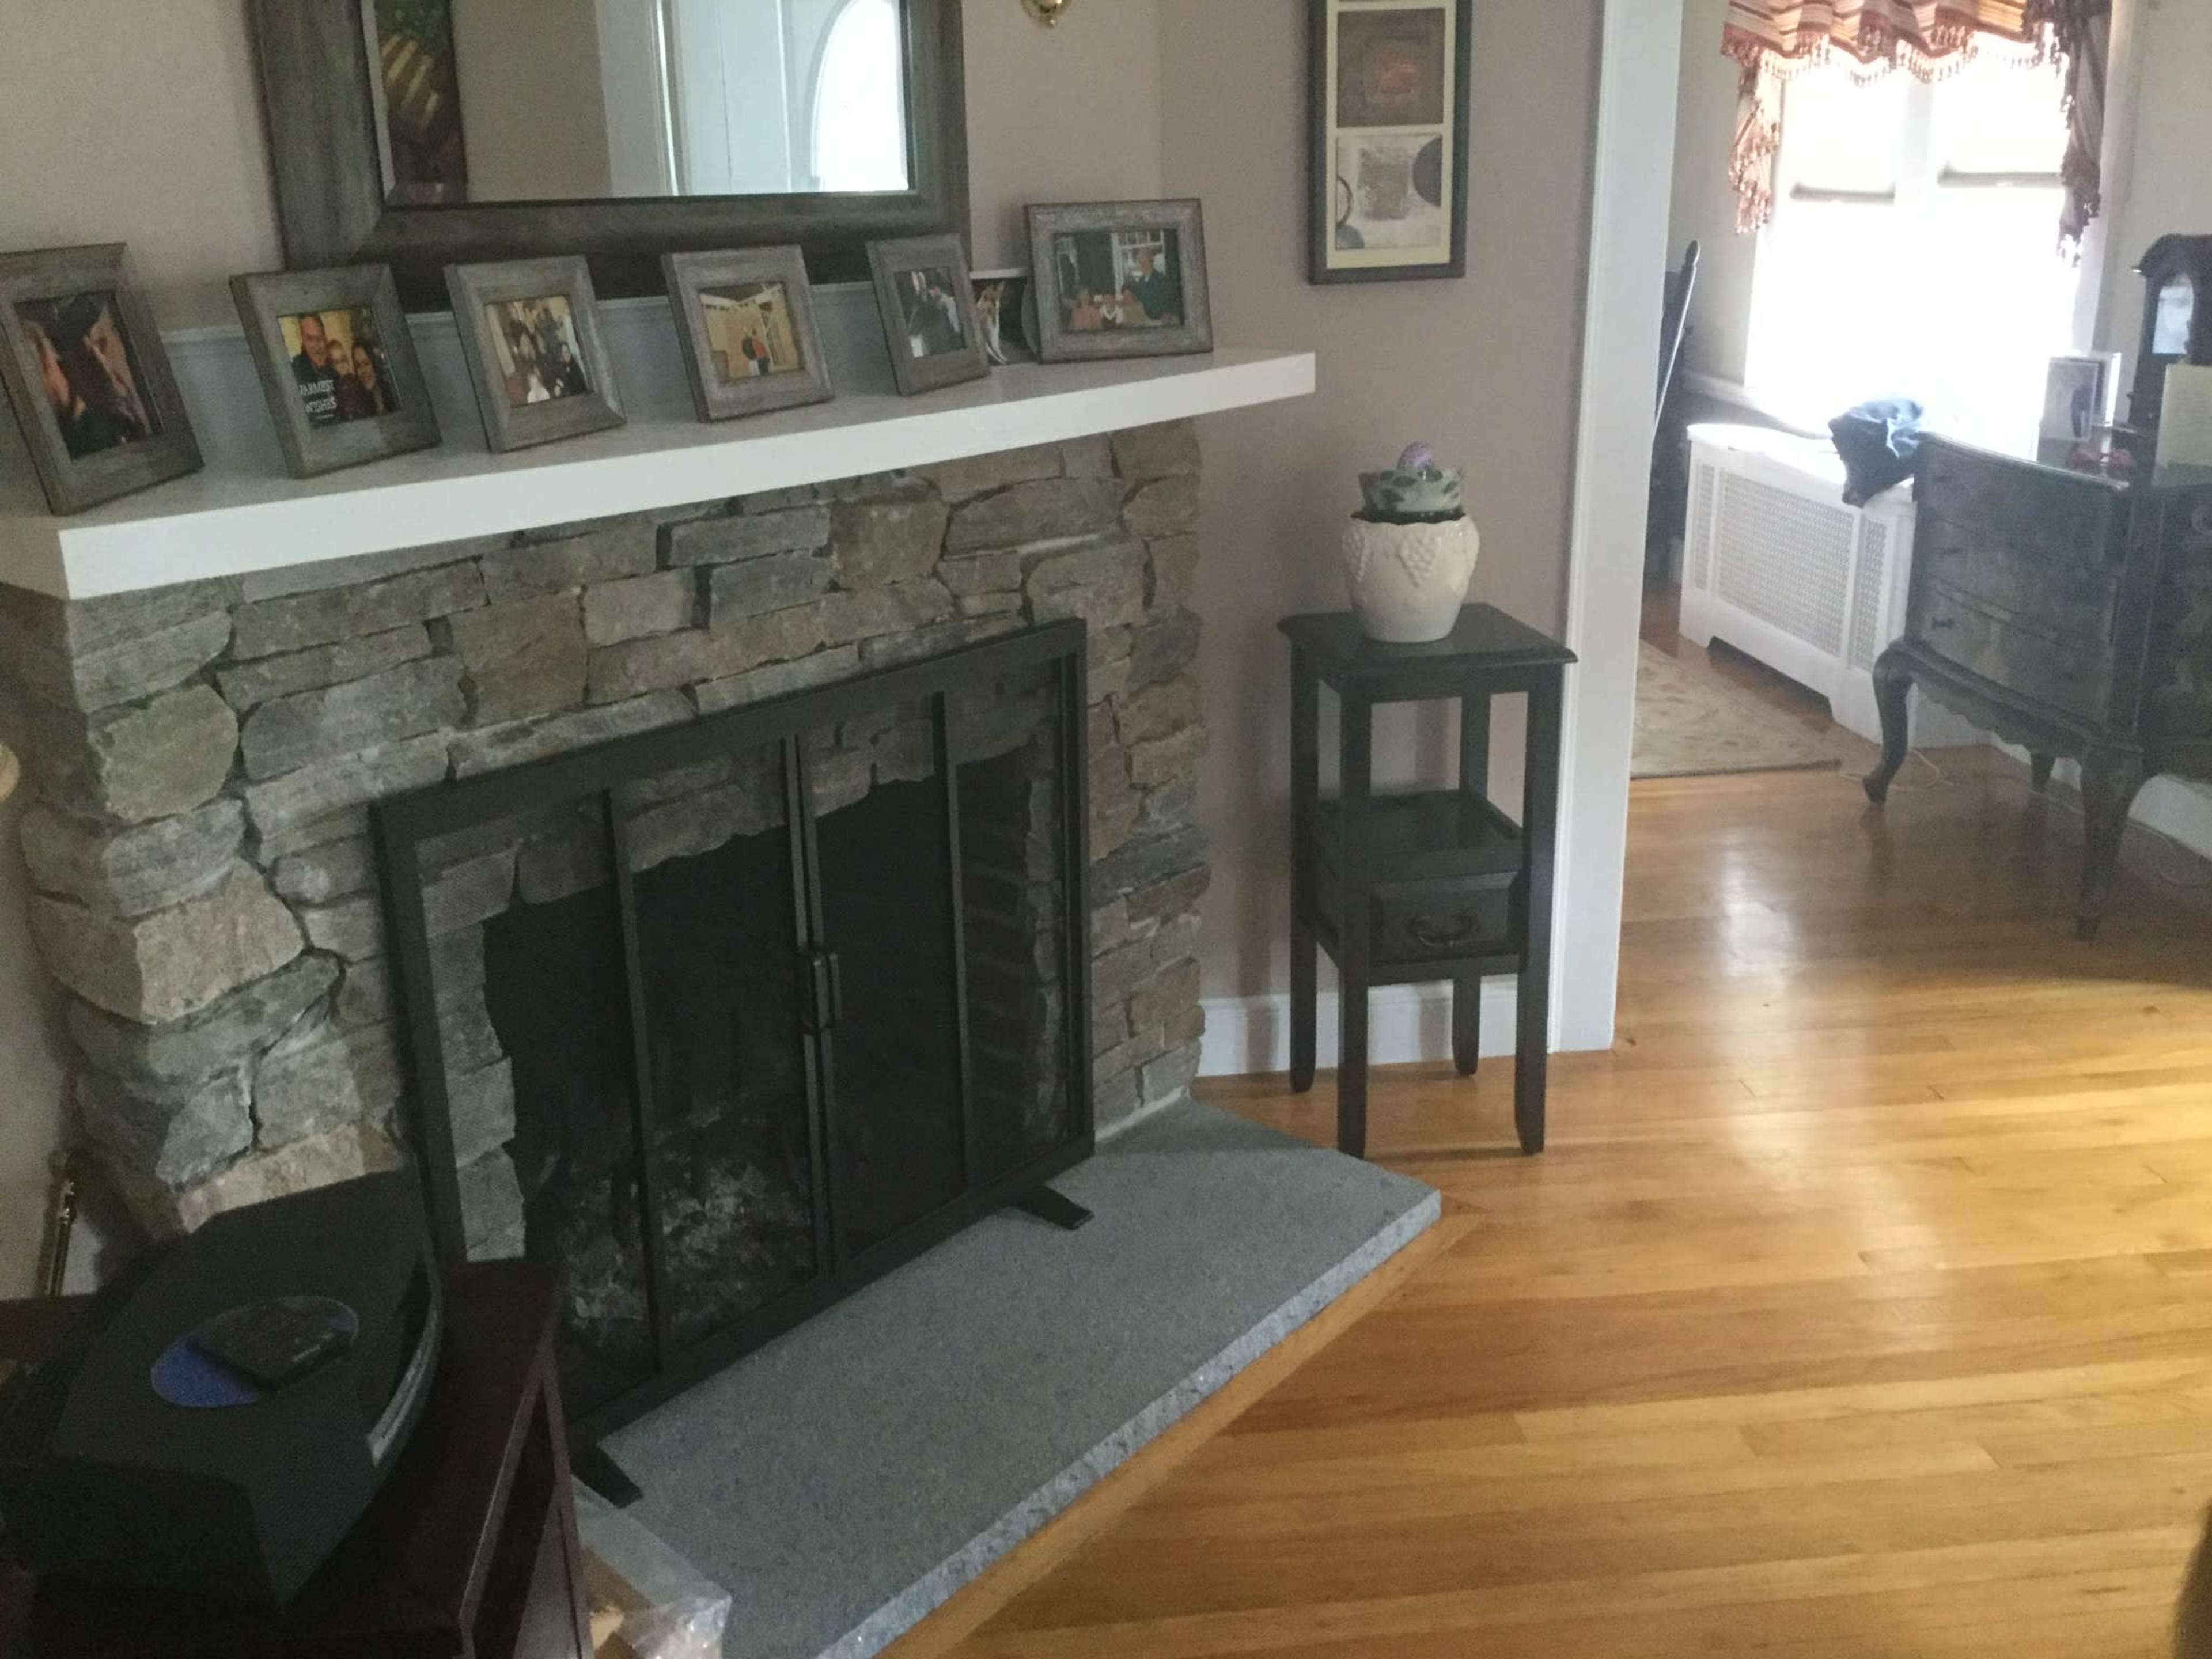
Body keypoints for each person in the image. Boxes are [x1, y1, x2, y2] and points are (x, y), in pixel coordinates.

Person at [290, 311, 342, 426]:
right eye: (310, 339)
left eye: (319, 338)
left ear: (325, 338)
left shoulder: (335, 372)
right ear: (303, 341)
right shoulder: (294, 373)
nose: (316, 346)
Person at [1128, 247, 1180, 323]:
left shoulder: (1162, 280)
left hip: (1162, 321)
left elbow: (1171, 303)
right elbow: (1140, 300)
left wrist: (1166, 317)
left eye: (1140, 262)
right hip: (1146, 321)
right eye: (1139, 262)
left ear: (1148, 262)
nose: (1139, 266)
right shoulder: (1141, 281)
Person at [348, 340, 397, 417]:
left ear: (375, 364)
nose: (363, 371)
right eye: (358, 365)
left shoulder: (394, 393)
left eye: (366, 364)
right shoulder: (356, 404)